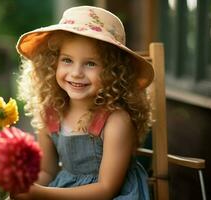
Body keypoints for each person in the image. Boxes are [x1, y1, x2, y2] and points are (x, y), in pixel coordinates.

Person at [14, 5, 154, 200]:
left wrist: (42, 194)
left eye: (90, 63)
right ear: (52, 63)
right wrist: (26, 187)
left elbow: (106, 189)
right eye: (67, 60)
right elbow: (47, 171)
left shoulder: (115, 121)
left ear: (113, 72)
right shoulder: (51, 114)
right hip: (63, 192)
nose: (76, 73)